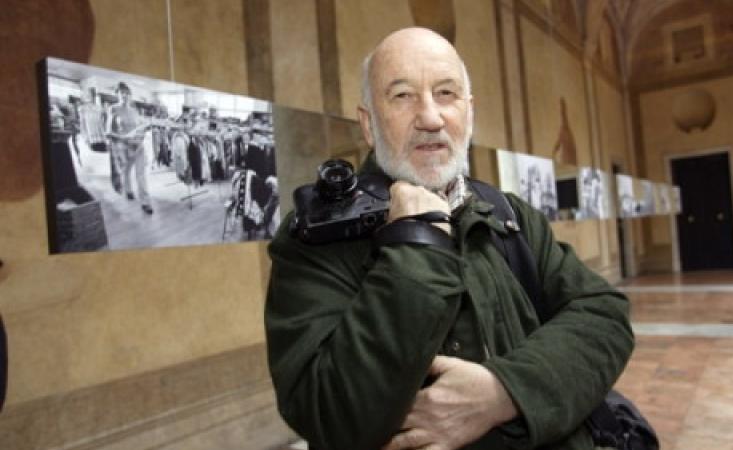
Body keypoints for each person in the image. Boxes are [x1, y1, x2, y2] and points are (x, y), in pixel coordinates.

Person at [265, 27, 633, 450]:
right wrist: (415, 246)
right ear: (368, 123)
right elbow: (327, 414)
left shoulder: (506, 213)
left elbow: (605, 314)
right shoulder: (316, 238)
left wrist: (504, 392)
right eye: (402, 96)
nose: (430, 117)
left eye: (445, 94)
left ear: (468, 113)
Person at [106, 81, 153, 215]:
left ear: (130, 95)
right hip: (124, 147)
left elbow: (140, 128)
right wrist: (124, 138)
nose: (125, 96)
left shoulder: (135, 111)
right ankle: (128, 190)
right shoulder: (113, 109)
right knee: (126, 171)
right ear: (117, 94)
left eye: (127, 93)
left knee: (141, 175)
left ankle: (145, 202)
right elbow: (108, 132)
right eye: (122, 93)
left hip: (138, 146)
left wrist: (143, 132)